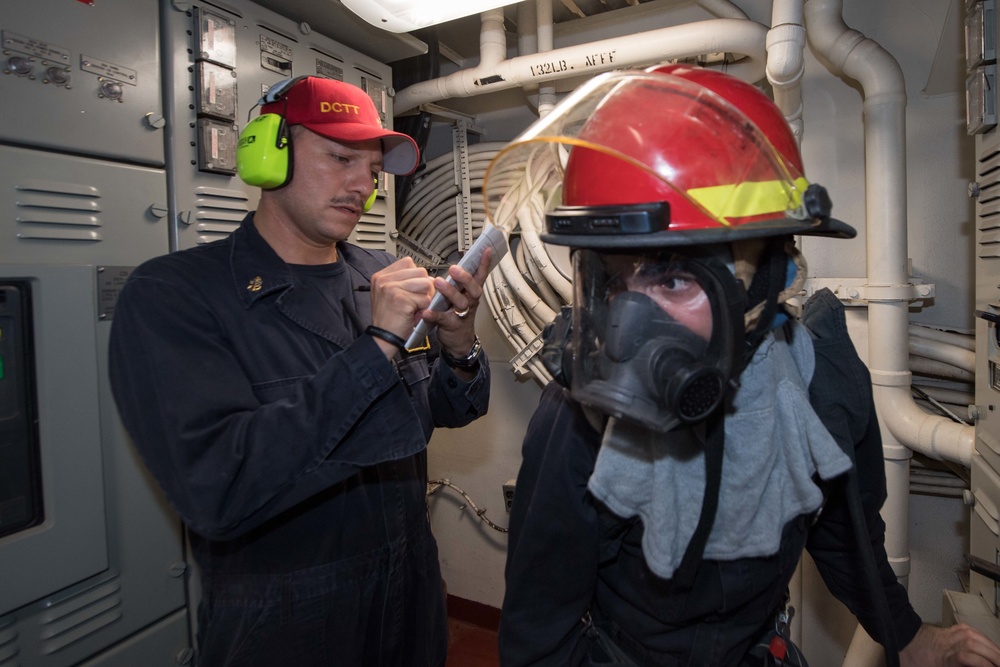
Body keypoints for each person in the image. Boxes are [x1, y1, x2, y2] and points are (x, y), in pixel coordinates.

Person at [488, 64, 1000, 666]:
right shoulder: (581, 416)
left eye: (677, 279)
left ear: (766, 284)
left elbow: (844, 534)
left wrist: (907, 637)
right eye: (615, 281)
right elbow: (538, 631)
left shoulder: (818, 384)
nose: (631, 328)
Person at [108, 76, 492, 667]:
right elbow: (219, 486)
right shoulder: (176, 294)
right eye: (340, 158)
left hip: (409, 592)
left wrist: (460, 345)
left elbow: (440, 412)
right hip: (287, 618)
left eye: (372, 168)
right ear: (269, 153)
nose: (362, 184)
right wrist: (379, 343)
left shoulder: (380, 272)